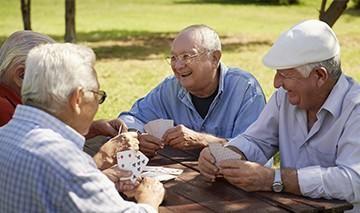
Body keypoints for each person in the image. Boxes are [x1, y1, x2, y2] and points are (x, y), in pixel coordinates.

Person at [198, 20, 360, 212]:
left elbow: (353, 181)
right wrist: (225, 154)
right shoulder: (284, 98)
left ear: (319, 76)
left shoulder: (355, 108)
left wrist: (275, 179)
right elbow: (256, 140)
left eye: (286, 74)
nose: (276, 83)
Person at [0, 43, 164, 212]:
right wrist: (148, 199)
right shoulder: (64, 159)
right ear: (77, 98)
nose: (97, 105)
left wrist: (99, 180)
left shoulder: (5, 135)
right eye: (97, 95)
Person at [120, 24, 266, 157]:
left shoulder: (245, 89)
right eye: (173, 58)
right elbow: (130, 119)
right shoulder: (170, 88)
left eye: (186, 56)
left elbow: (255, 149)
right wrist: (137, 136)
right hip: (185, 179)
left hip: (235, 182)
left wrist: (204, 140)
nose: (178, 66)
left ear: (214, 58)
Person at [0, 31, 129, 170]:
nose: (59, 87)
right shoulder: (3, 108)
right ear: (22, 76)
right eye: (54, 77)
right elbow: (42, 166)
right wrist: (103, 158)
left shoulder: (17, 103)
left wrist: (92, 128)